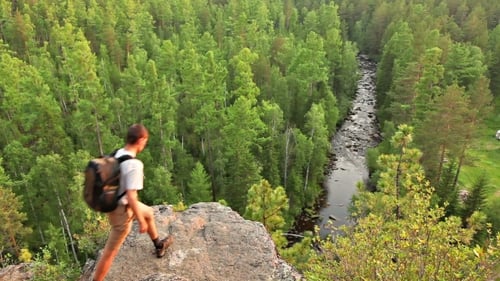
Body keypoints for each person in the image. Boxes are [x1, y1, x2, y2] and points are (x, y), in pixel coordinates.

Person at [93, 124, 174, 281]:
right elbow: (131, 196)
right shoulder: (135, 165)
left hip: (114, 202)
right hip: (121, 211)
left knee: (149, 212)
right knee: (110, 252)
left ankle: (159, 245)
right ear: (141, 140)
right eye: (145, 141)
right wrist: (141, 221)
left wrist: (143, 216)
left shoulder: (118, 153)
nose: (145, 144)